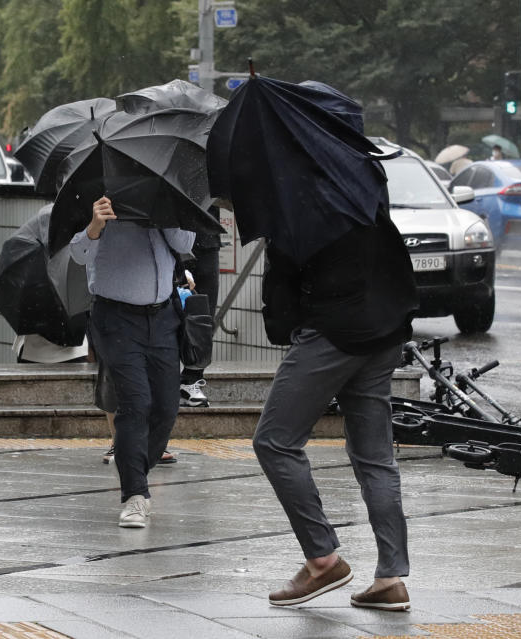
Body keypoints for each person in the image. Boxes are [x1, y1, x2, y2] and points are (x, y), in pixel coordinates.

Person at [253, 196, 419, 608]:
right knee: (375, 457)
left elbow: (285, 276)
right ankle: (391, 578)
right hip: (384, 327)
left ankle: (322, 559)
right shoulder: (357, 174)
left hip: (334, 329)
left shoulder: (298, 192)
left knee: (274, 442)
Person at [70, 196, 194, 528]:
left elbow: (186, 241)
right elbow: (78, 254)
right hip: (116, 318)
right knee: (136, 402)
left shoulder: (165, 194)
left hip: (164, 316)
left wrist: (167, 211)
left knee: (167, 408)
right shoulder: (99, 197)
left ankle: (134, 469)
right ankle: (135, 495)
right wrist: (96, 225)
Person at [179, 227, 222, 406]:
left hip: (206, 238)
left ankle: (191, 380)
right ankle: (164, 380)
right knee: (166, 316)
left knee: (203, 315)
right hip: (169, 236)